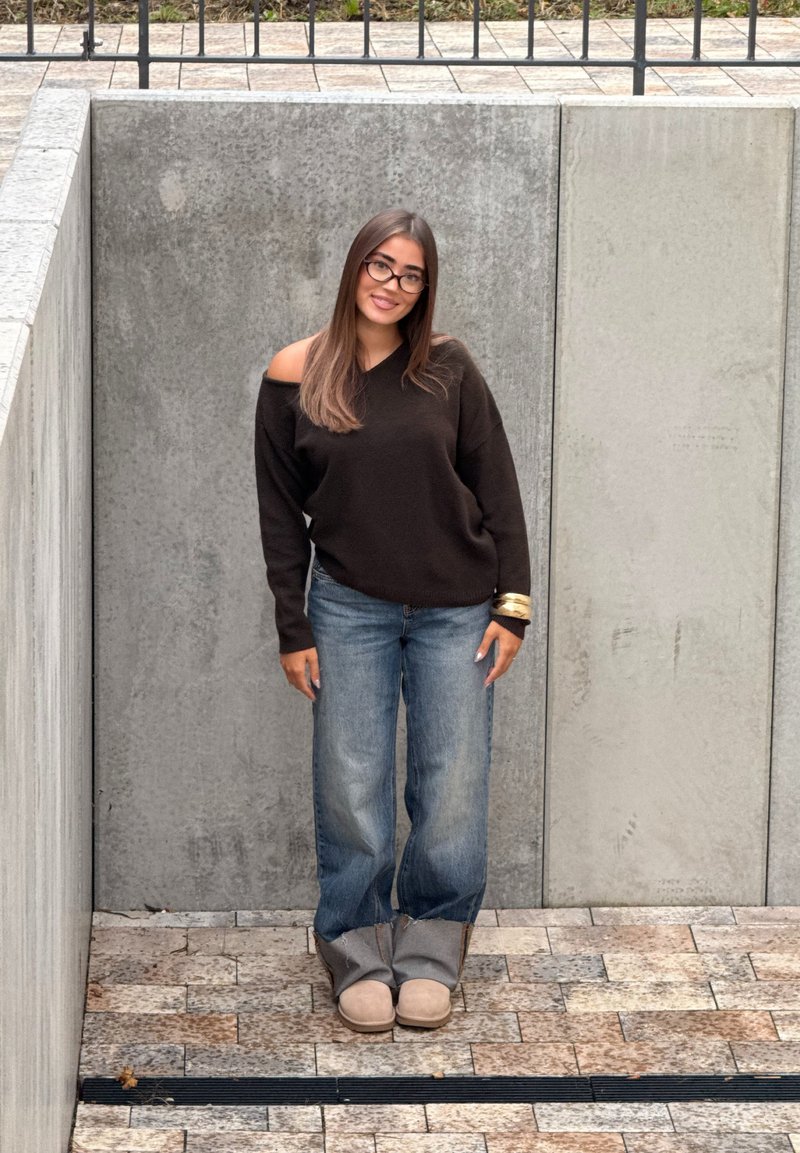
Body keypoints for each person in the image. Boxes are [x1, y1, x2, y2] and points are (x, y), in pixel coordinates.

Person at [254, 208, 531, 1033]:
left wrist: (513, 604)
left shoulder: (448, 369)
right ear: (354, 268)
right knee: (352, 784)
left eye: (411, 274)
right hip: (348, 608)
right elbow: (278, 514)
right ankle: (354, 943)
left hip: (458, 612)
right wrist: (291, 627)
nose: (393, 285)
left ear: (425, 285)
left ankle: (433, 946)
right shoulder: (293, 373)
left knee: (450, 786)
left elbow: (500, 487)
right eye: (381, 266)